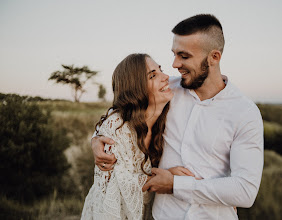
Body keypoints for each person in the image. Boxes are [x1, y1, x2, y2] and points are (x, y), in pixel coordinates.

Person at [92, 14, 264, 220]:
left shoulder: (244, 112)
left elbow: (245, 191)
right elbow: (125, 110)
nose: (174, 64)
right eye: (174, 54)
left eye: (184, 56)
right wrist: (96, 140)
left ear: (214, 57)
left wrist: (175, 184)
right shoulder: (166, 90)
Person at [81, 53, 174, 220]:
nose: (166, 77)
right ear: (136, 89)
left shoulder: (166, 117)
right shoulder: (117, 128)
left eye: (161, 70)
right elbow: (113, 191)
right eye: (153, 75)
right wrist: (167, 177)